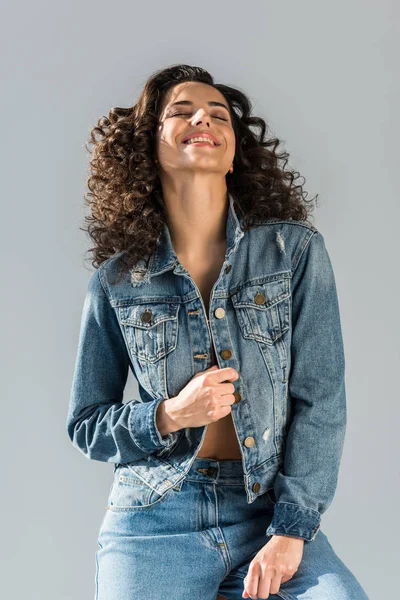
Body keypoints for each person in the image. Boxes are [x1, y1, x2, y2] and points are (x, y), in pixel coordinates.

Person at [66, 64, 369, 600]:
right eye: (180, 112)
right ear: (147, 147)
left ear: (233, 153)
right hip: (154, 520)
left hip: (267, 513)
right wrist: (169, 414)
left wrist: (292, 528)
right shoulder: (115, 281)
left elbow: (321, 399)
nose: (202, 117)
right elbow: (87, 423)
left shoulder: (292, 252)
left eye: (218, 114)